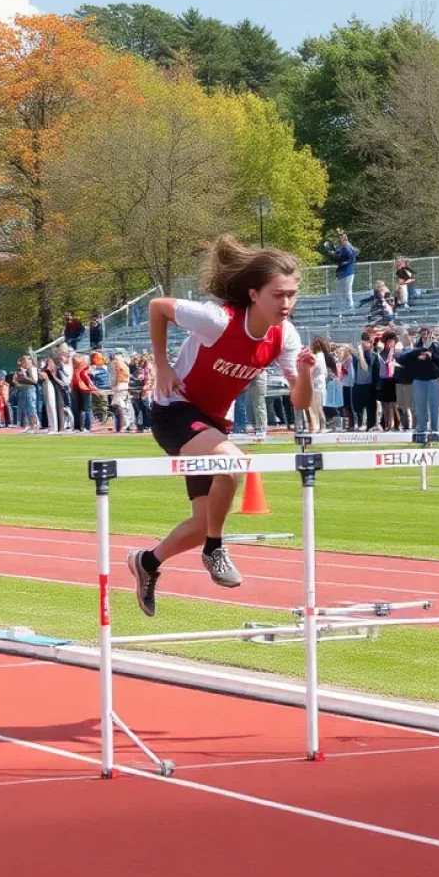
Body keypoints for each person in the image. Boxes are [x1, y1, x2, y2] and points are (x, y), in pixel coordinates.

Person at [126, 237, 314, 617]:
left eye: (291, 295)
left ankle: (147, 561)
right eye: (278, 295)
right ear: (254, 295)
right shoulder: (218, 320)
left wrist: (306, 374)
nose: (286, 304)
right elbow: (158, 307)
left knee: (202, 522)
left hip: (211, 423)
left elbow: (300, 401)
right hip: (175, 411)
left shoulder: (285, 336)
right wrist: (162, 364)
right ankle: (214, 550)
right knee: (232, 463)